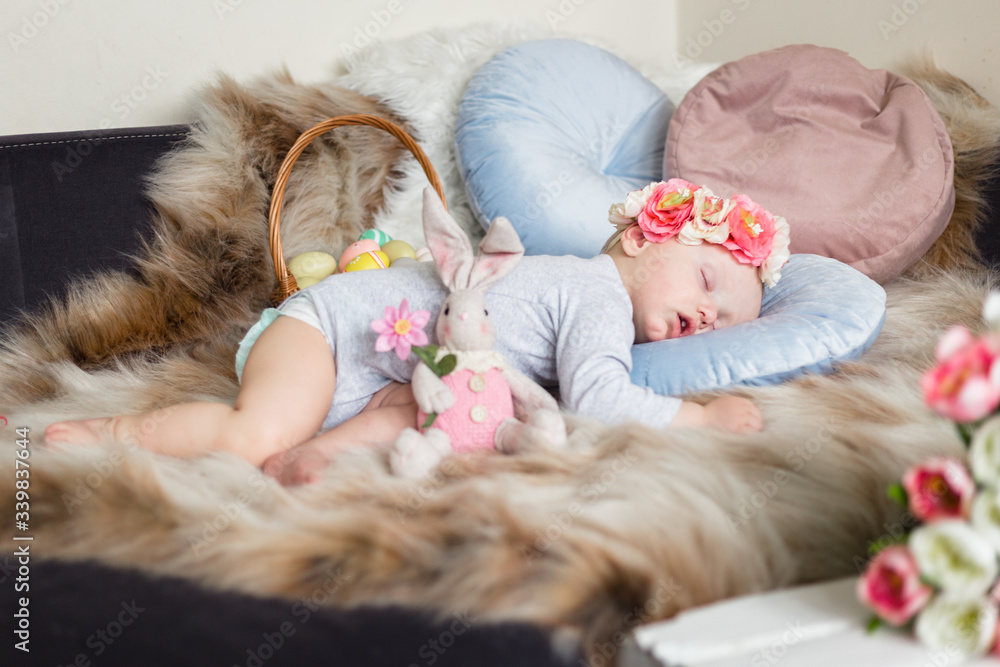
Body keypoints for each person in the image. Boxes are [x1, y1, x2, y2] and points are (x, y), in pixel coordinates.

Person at [45, 179, 790, 485]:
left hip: (391, 375)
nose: (708, 318)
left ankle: (313, 456)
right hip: (328, 330)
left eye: (723, 322)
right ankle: (107, 431)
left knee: (418, 410)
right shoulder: (596, 295)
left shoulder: (601, 309)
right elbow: (597, 396)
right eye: (706, 282)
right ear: (642, 240)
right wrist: (699, 414)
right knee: (252, 432)